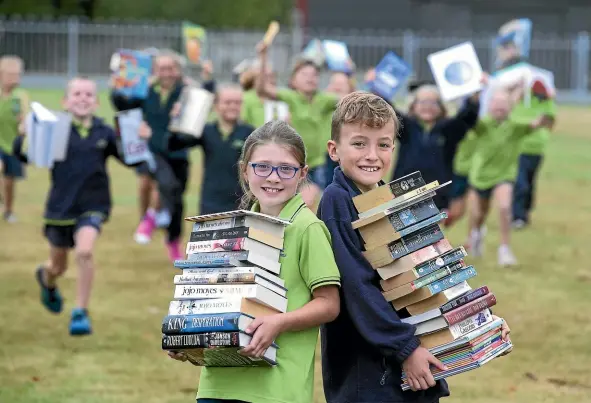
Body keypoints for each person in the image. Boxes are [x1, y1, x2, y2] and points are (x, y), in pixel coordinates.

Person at [317, 91, 512, 402]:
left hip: (416, 363)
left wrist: (480, 323)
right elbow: (357, 286)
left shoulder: (392, 199)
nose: (372, 155)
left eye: (383, 144)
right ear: (334, 149)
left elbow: (434, 272)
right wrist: (405, 348)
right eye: (359, 143)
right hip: (370, 372)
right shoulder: (337, 199)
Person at [168, 120, 342, 403]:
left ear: (302, 174)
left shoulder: (307, 228)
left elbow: (329, 303)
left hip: (276, 389)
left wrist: (278, 323)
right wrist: (189, 337)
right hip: (218, 384)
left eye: (286, 168)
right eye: (262, 166)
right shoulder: (230, 227)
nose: (273, 177)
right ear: (244, 170)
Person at [13, 77, 147, 335]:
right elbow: (26, 156)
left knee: (84, 252)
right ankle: (46, 278)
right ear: (65, 101)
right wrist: (25, 136)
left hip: (93, 206)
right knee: (58, 267)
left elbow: (132, 160)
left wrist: (140, 139)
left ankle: (80, 312)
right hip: (60, 209)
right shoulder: (55, 129)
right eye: (77, 94)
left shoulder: (103, 131)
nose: (83, 98)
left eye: (88, 94)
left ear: (96, 102)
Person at [111, 50, 211, 260]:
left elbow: (205, 101)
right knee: (166, 185)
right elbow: (121, 104)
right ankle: (149, 217)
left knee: (177, 199)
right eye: (162, 68)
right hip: (153, 152)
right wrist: (118, 83)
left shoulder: (186, 92)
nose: (167, 73)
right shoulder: (146, 91)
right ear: (155, 71)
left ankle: (172, 239)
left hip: (178, 153)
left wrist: (205, 79)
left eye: (171, 68)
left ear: (178, 71)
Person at [467, 86, 550, 266]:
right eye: (496, 104)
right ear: (489, 106)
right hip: (481, 176)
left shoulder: (515, 126)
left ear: (511, 108)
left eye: (504, 105)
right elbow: (468, 121)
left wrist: (545, 112)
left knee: (504, 207)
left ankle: (504, 249)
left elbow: (537, 123)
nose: (500, 108)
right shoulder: (482, 125)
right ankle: (476, 234)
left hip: (504, 175)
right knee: (480, 212)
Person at [140, 84, 255, 214]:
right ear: (216, 105)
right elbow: (173, 145)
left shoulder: (250, 133)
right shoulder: (205, 131)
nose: (233, 106)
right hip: (210, 202)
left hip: (239, 203)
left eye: (237, 103)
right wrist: (176, 121)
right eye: (228, 102)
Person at [256, 41, 341, 208]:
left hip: (316, 164)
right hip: (291, 161)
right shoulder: (290, 97)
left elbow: (351, 98)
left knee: (306, 202)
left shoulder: (324, 99)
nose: (310, 78)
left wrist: (346, 74)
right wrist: (263, 56)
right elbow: (262, 89)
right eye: (305, 74)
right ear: (293, 80)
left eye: (314, 75)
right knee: (285, 205)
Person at [391, 84, 482, 211]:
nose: (427, 106)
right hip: (404, 192)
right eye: (422, 102)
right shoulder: (407, 127)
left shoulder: (448, 129)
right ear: (413, 105)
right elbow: (387, 112)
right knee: (402, 229)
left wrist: (473, 97)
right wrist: (378, 88)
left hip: (437, 195)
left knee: (429, 230)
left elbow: (467, 118)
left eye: (433, 103)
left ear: (441, 107)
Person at [0, 55, 29, 223]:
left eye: (17, 75)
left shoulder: (20, 95)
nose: (14, 79)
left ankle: (9, 210)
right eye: (10, 74)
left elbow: (24, 115)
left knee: (10, 181)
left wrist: (23, 125)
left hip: (13, 145)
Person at [324, 72, 355, 186]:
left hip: (346, 151)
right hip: (327, 154)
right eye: (334, 83)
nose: (337, 86)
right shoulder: (324, 104)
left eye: (341, 84)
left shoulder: (353, 106)